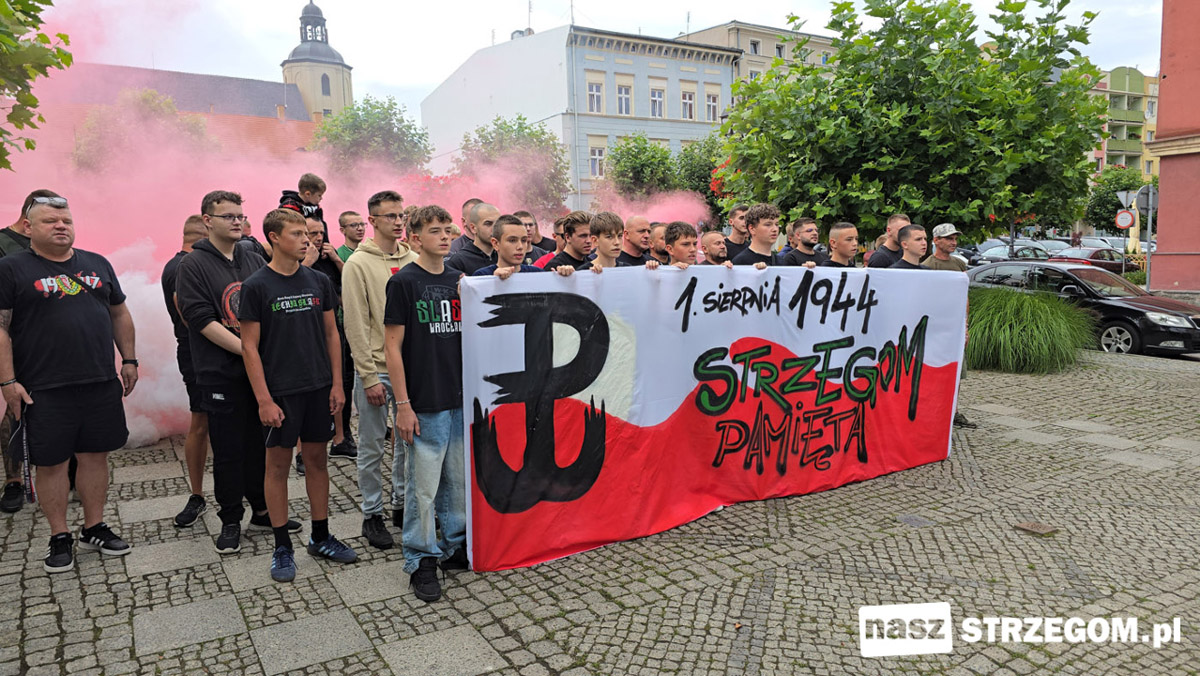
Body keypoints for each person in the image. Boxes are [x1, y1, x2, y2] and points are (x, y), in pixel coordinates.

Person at [0, 192, 138, 573]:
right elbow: (1, 329)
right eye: (50, 221)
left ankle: (94, 526)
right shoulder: (12, 268)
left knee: (96, 456)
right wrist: (8, 382)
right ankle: (59, 535)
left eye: (66, 221)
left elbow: (120, 313)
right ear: (28, 228)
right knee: (52, 463)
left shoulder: (97, 263)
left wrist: (128, 359)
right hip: (43, 386)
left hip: (98, 380)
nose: (61, 226)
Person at [177, 190, 298, 555]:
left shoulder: (251, 253)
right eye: (227, 215)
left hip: (260, 372)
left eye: (240, 215)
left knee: (262, 444)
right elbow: (201, 321)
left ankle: (262, 510)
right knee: (229, 450)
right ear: (207, 221)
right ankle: (230, 518)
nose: (236, 221)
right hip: (220, 373)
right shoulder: (192, 265)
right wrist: (250, 353)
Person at [240, 209, 357, 582]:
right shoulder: (257, 286)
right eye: (297, 234)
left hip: (318, 387)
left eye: (308, 233)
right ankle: (281, 546)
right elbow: (249, 347)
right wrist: (263, 399)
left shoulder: (318, 280)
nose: (307, 240)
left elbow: (331, 335)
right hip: (280, 392)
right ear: (274, 237)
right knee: (276, 467)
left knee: (318, 460)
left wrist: (337, 384)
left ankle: (320, 536)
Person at [383, 205, 467, 603]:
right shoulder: (404, 283)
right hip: (424, 401)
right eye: (435, 231)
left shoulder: (461, 281)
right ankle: (421, 558)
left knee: (458, 480)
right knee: (423, 487)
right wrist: (402, 404)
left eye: (448, 230)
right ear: (414, 238)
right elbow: (392, 346)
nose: (445, 237)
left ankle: (454, 545)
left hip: (460, 398)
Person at [342, 190, 419, 549]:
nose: (398, 221)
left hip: (410, 368)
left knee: (407, 443)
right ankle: (371, 513)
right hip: (376, 368)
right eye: (390, 216)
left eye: (401, 215)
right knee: (372, 446)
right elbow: (355, 325)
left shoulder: (413, 259)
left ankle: (400, 504)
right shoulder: (358, 264)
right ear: (372, 220)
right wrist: (368, 376)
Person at [163, 215, 212, 526]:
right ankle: (197, 495)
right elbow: (189, 316)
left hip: (199, 354)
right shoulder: (185, 267)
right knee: (201, 422)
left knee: (204, 422)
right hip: (199, 354)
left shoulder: (176, 263)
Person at [301, 216, 353, 462]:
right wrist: (308, 263)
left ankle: (341, 438)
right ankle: (303, 450)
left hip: (335, 329)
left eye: (321, 232)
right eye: (312, 233)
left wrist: (336, 259)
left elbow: (349, 285)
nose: (318, 238)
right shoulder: (299, 261)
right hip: (307, 334)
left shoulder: (329, 258)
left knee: (340, 381)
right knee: (309, 391)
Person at [0, 192, 37, 514]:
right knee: (15, 407)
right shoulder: (3, 244)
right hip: (12, 339)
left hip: (48, 342)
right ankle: (13, 480)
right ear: (29, 220)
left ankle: (68, 472)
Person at [474, 215, 576, 278]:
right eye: (512, 240)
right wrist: (491, 283)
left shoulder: (538, 274)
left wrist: (565, 279)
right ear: (495, 243)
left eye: (524, 240)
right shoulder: (482, 276)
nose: (520, 246)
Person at [446, 203, 500, 275]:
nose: (494, 228)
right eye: (488, 223)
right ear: (473, 228)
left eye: (498, 224)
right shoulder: (459, 261)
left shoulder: (505, 256)